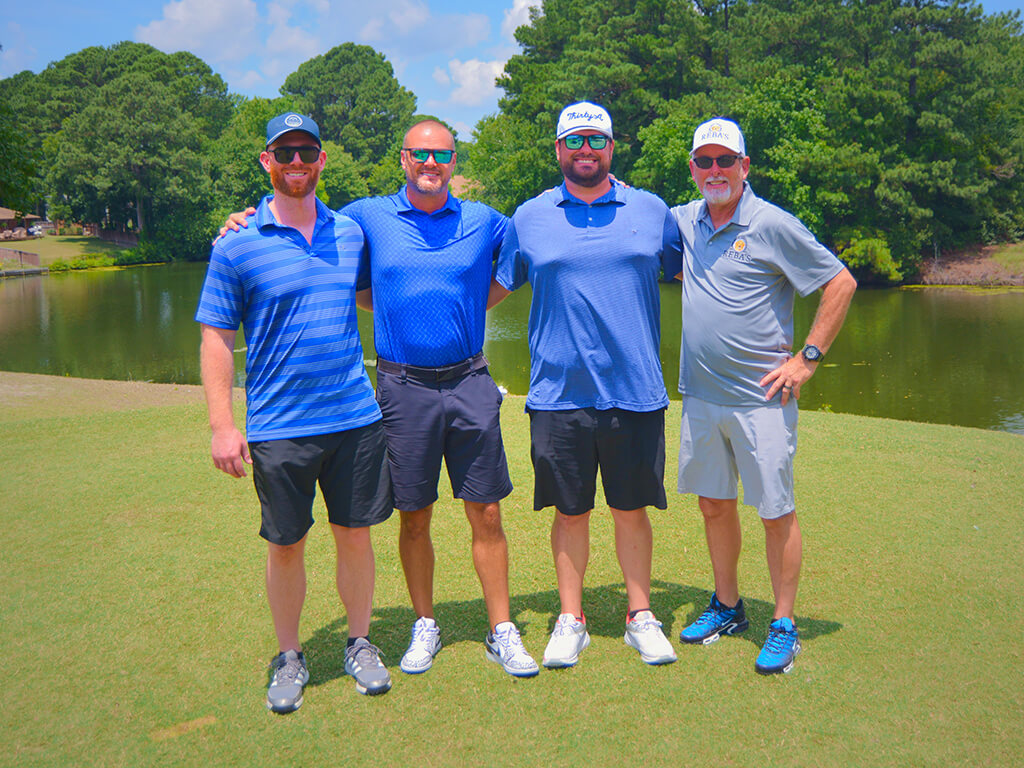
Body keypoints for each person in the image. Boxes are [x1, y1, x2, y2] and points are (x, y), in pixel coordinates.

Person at [220, 119, 538, 679]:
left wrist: (466, 305)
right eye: (421, 154)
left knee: (486, 510)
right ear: (403, 159)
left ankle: (502, 629)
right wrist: (243, 216)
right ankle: (425, 623)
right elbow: (301, 207)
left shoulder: (485, 221)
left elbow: (522, 256)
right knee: (413, 515)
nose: (431, 164)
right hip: (402, 386)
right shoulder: (366, 217)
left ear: (454, 161)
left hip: (469, 382)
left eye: (442, 155)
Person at [197, 112, 394, 712]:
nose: (297, 163)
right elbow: (214, 338)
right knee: (286, 544)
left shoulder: (351, 232)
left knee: (355, 536)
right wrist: (222, 425)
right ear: (267, 162)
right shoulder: (237, 244)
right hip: (280, 426)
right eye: (284, 154)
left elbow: (377, 289)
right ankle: (290, 655)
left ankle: (358, 642)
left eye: (306, 152)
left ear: (321, 159)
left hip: (355, 418)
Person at [490, 101, 682, 668]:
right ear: (558, 150)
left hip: (636, 389)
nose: (585, 151)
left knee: (631, 509)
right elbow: (487, 285)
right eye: (574, 142)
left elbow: (701, 266)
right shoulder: (529, 217)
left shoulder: (653, 211)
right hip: (558, 393)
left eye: (595, 141)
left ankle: (639, 615)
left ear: (611, 147)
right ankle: (570, 619)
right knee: (569, 511)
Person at [670, 117, 857, 675]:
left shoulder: (772, 223)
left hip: (762, 402)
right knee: (713, 504)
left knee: (775, 511)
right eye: (704, 161)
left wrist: (808, 359)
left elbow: (839, 282)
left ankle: (783, 622)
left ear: (745, 166)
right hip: (701, 398)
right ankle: (728, 606)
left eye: (726, 160)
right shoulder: (683, 220)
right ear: (693, 169)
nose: (715, 170)